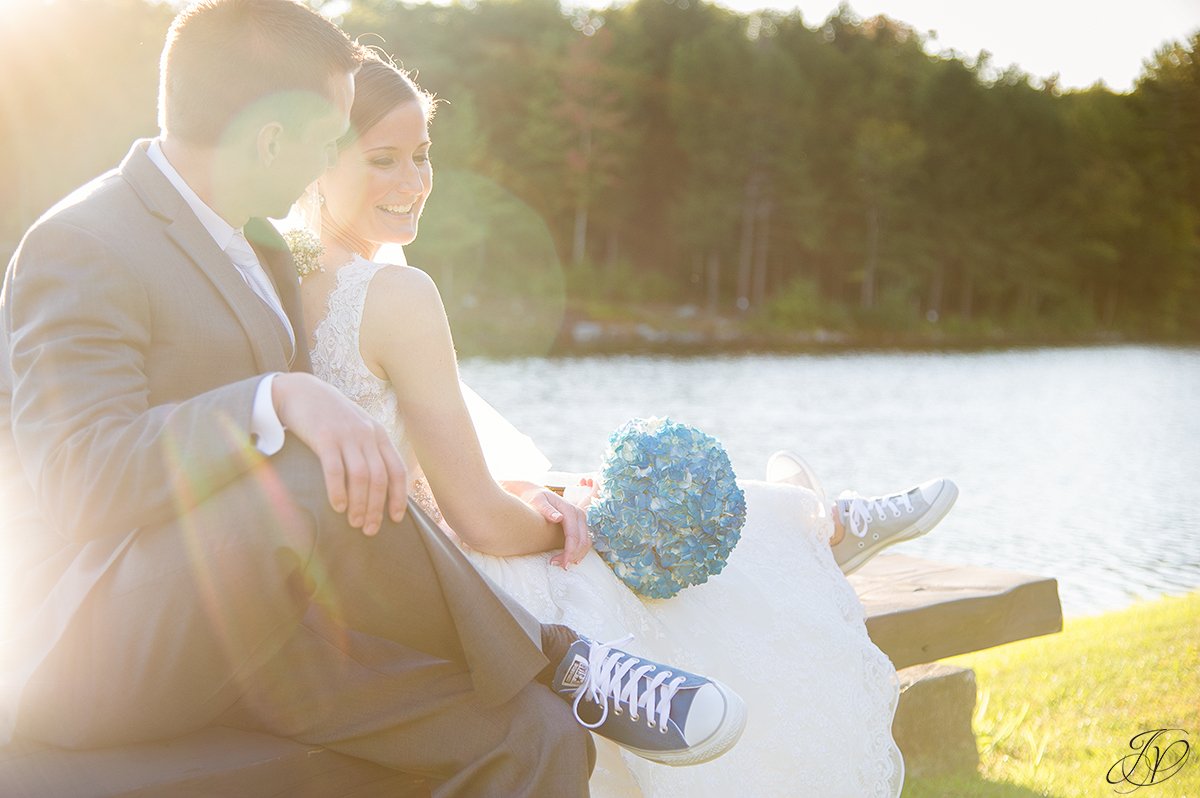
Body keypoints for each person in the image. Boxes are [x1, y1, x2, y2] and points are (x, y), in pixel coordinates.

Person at [0, 1, 748, 793]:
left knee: (533, 738)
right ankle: (564, 659)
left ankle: (556, 693)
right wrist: (274, 398)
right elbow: (76, 478)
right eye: (330, 136)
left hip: (263, 634)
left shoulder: (260, 248)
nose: (334, 158)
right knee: (302, 467)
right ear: (270, 138)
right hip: (96, 651)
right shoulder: (82, 241)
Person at [295, 52, 959, 796]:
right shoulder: (394, 293)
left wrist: (534, 495)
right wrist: (567, 523)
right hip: (451, 586)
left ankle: (821, 521)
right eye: (382, 159)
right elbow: (478, 523)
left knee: (595, 498)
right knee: (628, 534)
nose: (414, 182)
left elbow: (397, 455)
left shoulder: (277, 276)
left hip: (381, 570)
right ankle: (824, 528)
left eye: (422, 155)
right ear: (318, 161)